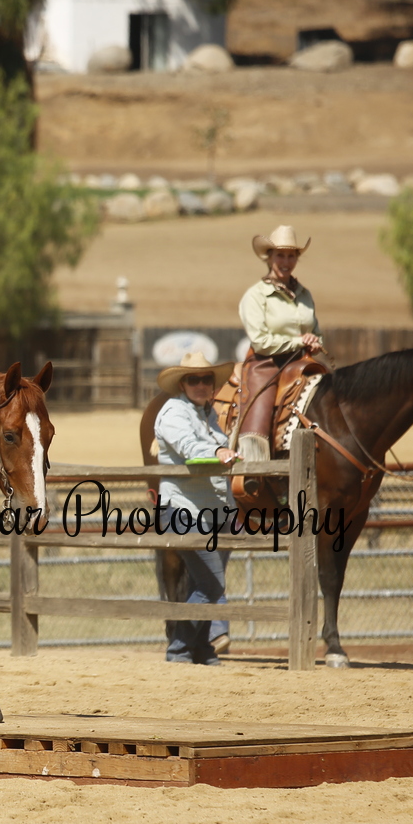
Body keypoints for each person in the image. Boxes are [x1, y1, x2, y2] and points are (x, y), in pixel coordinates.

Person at [152, 350, 238, 665]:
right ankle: (179, 648)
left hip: (214, 512)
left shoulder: (208, 415)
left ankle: (200, 648)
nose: (201, 385)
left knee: (205, 583)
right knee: (212, 583)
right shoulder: (173, 412)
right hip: (184, 510)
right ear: (182, 384)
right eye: (194, 379)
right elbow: (189, 448)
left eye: (206, 379)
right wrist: (219, 451)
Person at [236, 225, 322, 443]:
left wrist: (315, 342)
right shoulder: (255, 296)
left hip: (304, 362)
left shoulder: (305, 294)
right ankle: (253, 458)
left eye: (291, 256)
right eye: (280, 255)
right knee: (257, 426)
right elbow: (260, 342)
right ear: (269, 257)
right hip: (266, 365)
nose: (286, 261)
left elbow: (315, 331)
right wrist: (298, 341)